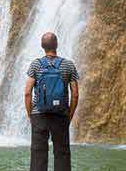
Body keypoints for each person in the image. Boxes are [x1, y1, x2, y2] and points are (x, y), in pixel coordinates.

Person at [24, 32, 79, 171]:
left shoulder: (36, 65)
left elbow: (27, 92)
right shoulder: (68, 65)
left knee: (38, 154)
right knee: (62, 154)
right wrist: (69, 115)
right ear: (57, 45)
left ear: (42, 46)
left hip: (39, 115)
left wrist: (31, 115)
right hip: (61, 115)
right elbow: (75, 94)